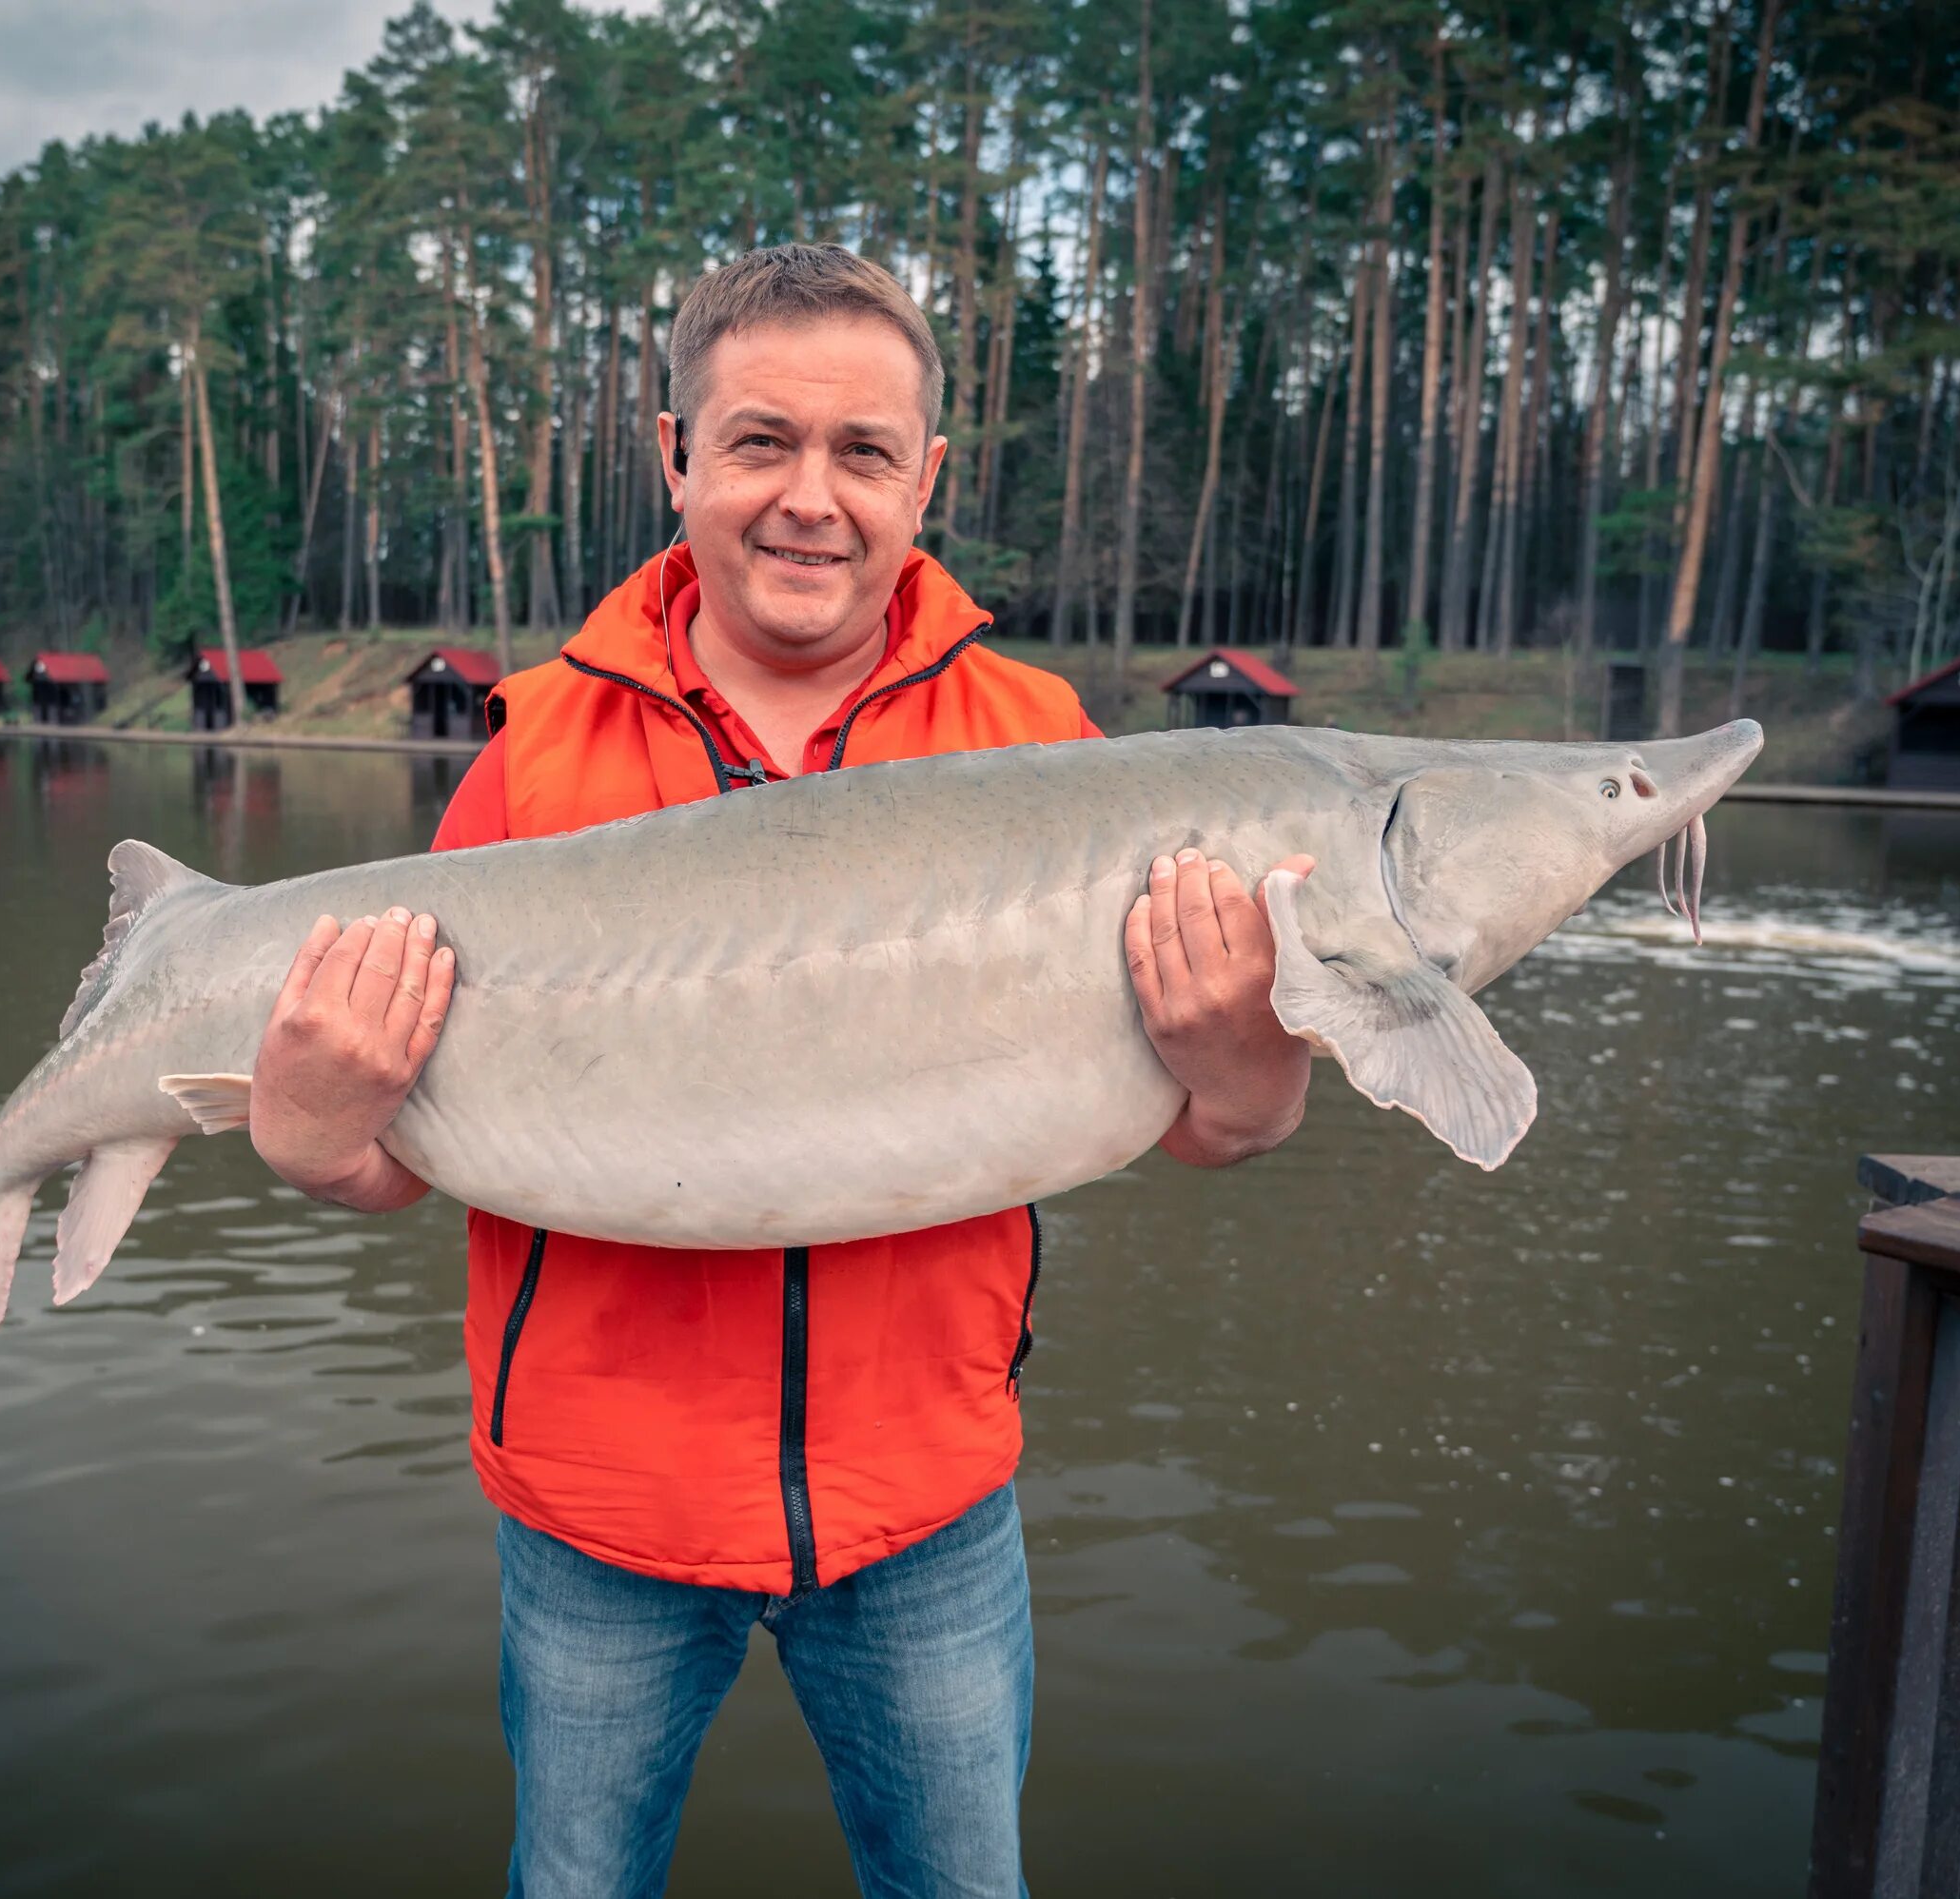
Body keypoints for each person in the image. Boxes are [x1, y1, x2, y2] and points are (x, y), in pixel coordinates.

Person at [245, 244, 1314, 1898]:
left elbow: (1215, 1129)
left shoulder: (1059, 753)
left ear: (926, 482)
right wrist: (323, 1144)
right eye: (759, 442)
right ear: (676, 454)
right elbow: (409, 1141)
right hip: (595, 1514)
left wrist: (1248, 1073)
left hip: (927, 1512)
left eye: (862, 452)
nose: (809, 499)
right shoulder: (531, 755)